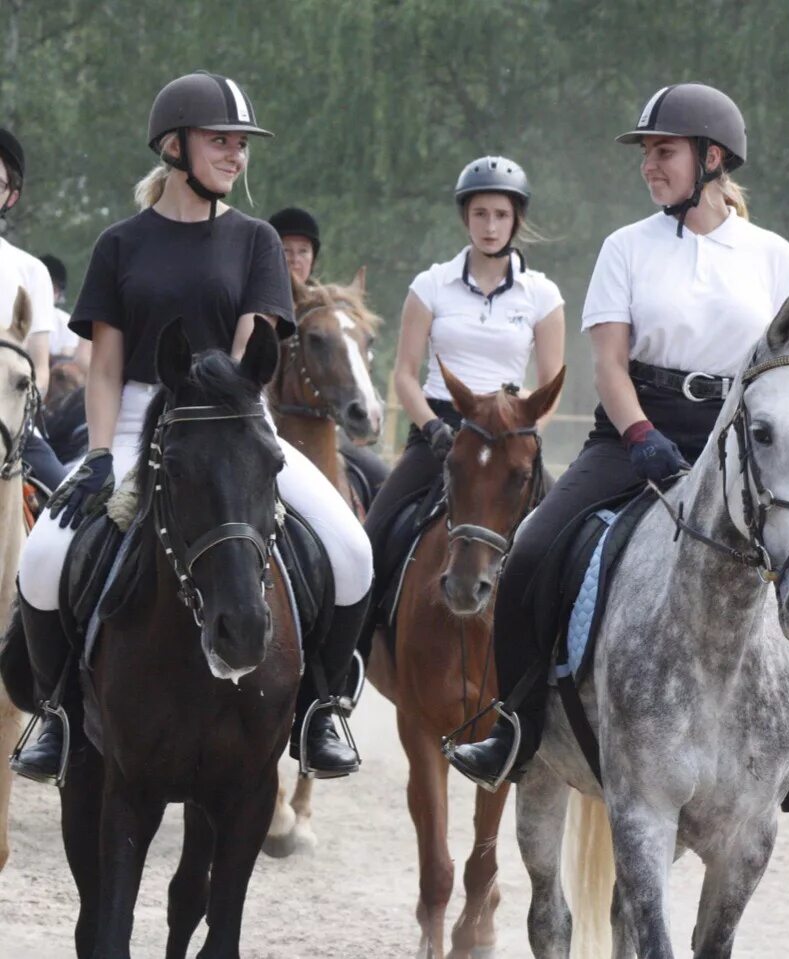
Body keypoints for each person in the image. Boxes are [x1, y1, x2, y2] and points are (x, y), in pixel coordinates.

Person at [450, 84, 789, 814]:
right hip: (634, 429)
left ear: (711, 160)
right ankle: (514, 727)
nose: (650, 165)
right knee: (531, 550)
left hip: (743, 439)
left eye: (663, 152)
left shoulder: (771, 254)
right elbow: (608, 365)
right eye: (646, 153)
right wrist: (641, 435)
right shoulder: (627, 247)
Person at [11, 71, 373, 786]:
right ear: (175, 147)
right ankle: (53, 713)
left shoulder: (256, 241)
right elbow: (106, 368)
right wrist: (103, 458)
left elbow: (250, 347)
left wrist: (225, 425)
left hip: (234, 418)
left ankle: (320, 706)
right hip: (139, 413)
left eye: (241, 144)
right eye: (222, 141)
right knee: (43, 557)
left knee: (351, 548)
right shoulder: (121, 244)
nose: (237, 155)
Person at [357, 155, 566, 659]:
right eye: (479, 214)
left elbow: (550, 385)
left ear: (516, 218)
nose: (490, 226)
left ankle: (563, 670)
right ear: (465, 218)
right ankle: (345, 668)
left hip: (511, 438)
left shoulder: (542, 295)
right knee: (368, 544)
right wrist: (431, 428)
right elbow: (406, 373)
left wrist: (527, 437)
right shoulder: (430, 286)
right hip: (443, 435)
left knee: (564, 543)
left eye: (500, 214)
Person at [268, 205, 389, 500]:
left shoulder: (323, 312)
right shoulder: (251, 301)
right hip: (261, 426)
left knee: (380, 479)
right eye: (286, 251)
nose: (295, 260)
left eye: (303, 251)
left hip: (320, 431)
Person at [0, 128, 68, 492]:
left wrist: (16, 407)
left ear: (11, 196)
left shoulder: (30, 271)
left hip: (11, 428)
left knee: (69, 511)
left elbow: (39, 366)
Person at [39, 254, 89, 368]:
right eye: (42, 286)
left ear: (59, 293)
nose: (45, 292)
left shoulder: (68, 324)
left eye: (53, 288)